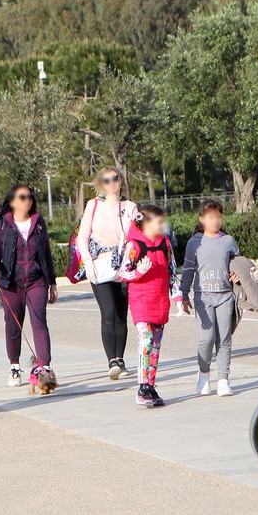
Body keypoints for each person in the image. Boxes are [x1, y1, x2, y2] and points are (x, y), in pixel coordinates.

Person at [0, 185, 57, 388]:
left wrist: (51, 282)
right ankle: (15, 365)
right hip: (11, 281)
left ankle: (45, 368)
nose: (28, 200)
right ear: (12, 201)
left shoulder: (38, 222)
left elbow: (46, 253)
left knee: (39, 322)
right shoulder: (3, 223)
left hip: (36, 280)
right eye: (23, 197)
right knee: (13, 325)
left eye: (30, 197)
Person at [77, 167, 140, 379]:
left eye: (115, 178)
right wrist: (88, 262)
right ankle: (111, 360)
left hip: (124, 265)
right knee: (109, 312)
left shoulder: (130, 207)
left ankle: (120, 359)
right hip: (100, 265)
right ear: (100, 183)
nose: (112, 183)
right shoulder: (93, 205)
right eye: (107, 180)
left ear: (121, 181)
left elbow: (137, 236)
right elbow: (82, 237)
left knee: (122, 315)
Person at [118, 205, 179, 408]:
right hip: (141, 301)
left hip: (160, 301)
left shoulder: (165, 244)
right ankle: (142, 386)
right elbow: (122, 273)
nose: (163, 226)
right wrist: (138, 273)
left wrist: (178, 297)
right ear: (146, 223)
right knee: (145, 342)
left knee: (156, 346)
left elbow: (172, 271)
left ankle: (151, 386)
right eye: (159, 222)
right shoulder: (134, 246)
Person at [180, 199, 241, 397]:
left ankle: (223, 380)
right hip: (203, 297)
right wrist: (184, 294)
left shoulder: (228, 241)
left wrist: (236, 275)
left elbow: (238, 264)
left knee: (224, 338)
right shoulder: (194, 242)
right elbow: (188, 269)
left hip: (225, 296)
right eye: (210, 217)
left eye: (218, 217)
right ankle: (204, 375)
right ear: (202, 219)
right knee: (206, 339)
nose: (215, 221)